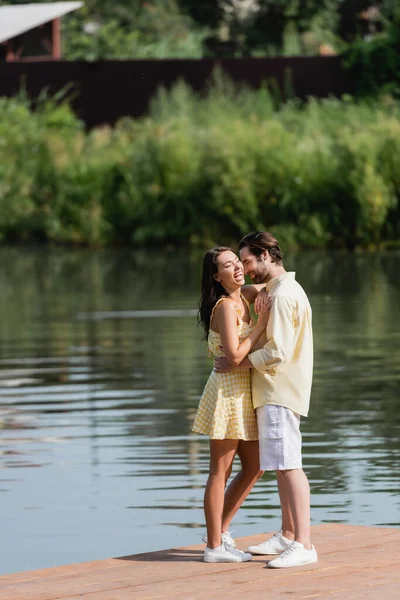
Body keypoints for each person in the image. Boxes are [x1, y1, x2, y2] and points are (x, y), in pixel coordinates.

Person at [215, 231, 317, 568]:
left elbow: (278, 350)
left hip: (279, 389)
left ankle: (303, 543)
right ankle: (289, 534)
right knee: (281, 464)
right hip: (274, 389)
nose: (246, 268)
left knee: (289, 466)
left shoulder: (284, 295)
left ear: (266, 255)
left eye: (247, 260)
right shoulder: (279, 290)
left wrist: (238, 362)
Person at [192, 246, 270, 563]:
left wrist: (261, 272)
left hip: (244, 394)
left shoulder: (246, 295)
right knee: (219, 472)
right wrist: (262, 324)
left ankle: (220, 531)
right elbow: (235, 356)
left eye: (238, 261)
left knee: (255, 466)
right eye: (228, 265)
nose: (237, 267)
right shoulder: (225, 306)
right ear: (216, 276)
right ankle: (213, 547)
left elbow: (272, 284)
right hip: (226, 393)